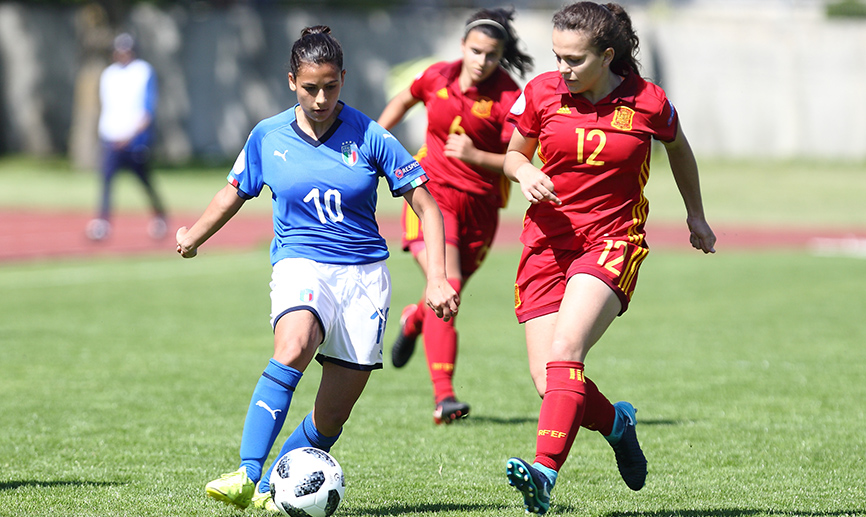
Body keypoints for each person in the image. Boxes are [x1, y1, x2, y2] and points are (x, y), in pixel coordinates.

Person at [176, 26, 459, 511]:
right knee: (294, 345)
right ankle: (247, 473)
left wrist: (436, 276)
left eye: (331, 86)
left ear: (343, 78)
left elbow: (427, 208)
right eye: (311, 87)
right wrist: (193, 235)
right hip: (300, 264)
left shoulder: (371, 136)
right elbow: (235, 190)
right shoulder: (268, 135)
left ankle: (272, 490)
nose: (322, 97)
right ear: (291, 81)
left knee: (330, 417)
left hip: (364, 279)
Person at [501, 3, 716, 514]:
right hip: (546, 244)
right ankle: (618, 425)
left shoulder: (647, 101)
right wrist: (523, 173)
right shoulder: (541, 94)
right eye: (557, 57)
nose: (563, 69)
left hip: (611, 240)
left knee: (566, 351)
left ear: (608, 56)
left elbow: (679, 149)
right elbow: (513, 153)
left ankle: (544, 474)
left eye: (574, 59)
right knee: (548, 379)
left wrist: (696, 215)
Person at [377, 8, 533, 425]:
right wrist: (370, 147)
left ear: (501, 56)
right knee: (449, 285)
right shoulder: (437, 77)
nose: (482, 61)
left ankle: (415, 319)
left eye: (492, 55)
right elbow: (403, 101)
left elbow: (519, 161)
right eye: (476, 51)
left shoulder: (508, 97)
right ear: (462, 46)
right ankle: (444, 398)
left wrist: (476, 155)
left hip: (481, 209)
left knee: (444, 296)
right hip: (431, 198)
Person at [86, 32, 167, 241]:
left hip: (135, 140)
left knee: (144, 179)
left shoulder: (143, 71)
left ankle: (160, 216)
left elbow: (147, 109)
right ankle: (103, 222)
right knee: (106, 180)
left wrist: (133, 133)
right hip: (111, 138)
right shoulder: (109, 74)